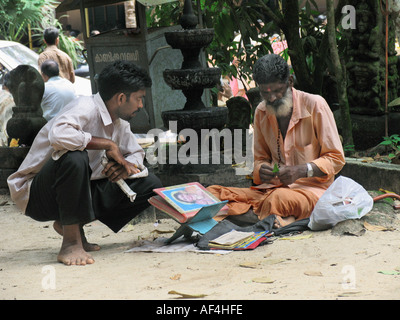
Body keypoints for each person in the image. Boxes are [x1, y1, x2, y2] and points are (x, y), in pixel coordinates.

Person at [7, 61, 163, 266]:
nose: (141, 105)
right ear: (121, 98)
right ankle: (71, 243)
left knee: (151, 183)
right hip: (36, 194)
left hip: (76, 191)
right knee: (74, 156)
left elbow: (136, 154)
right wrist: (107, 144)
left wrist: (123, 167)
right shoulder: (85, 106)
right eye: (139, 98)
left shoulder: (120, 123)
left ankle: (71, 224)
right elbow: (59, 135)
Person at [207, 54, 345, 228]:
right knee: (213, 193)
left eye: (277, 91)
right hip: (269, 190)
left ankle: (255, 216)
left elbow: (336, 159)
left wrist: (302, 170)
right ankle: (273, 218)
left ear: (290, 82)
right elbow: (260, 159)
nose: (271, 98)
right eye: (265, 93)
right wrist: (261, 170)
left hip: (312, 192)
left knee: (278, 199)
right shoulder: (261, 112)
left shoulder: (315, 105)